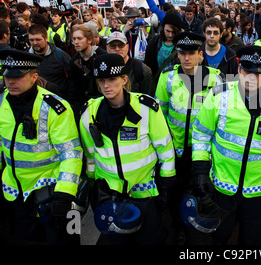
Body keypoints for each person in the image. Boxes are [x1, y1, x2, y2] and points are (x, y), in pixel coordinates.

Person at [190, 45, 261, 245]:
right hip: (222, 186)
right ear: (239, 70)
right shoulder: (219, 96)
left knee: (251, 240)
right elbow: (201, 133)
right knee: (218, 237)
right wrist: (200, 169)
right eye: (247, 70)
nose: (252, 77)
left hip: (258, 191)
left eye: (259, 72)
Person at [79, 53, 175, 245]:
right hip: (110, 193)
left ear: (124, 80)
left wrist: (167, 183)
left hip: (144, 192)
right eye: (102, 80)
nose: (106, 85)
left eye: (112, 79)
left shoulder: (147, 108)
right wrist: (91, 185)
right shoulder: (89, 112)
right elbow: (90, 155)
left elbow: (165, 147)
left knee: (150, 239)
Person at [0, 48, 83, 244]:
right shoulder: (1, 101)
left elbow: (71, 153)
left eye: (18, 77)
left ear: (34, 77)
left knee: (66, 240)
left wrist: (64, 194)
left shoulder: (55, 107)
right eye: (7, 76)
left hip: (51, 193)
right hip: (16, 192)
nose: (10, 81)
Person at [155, 31, 223, 244]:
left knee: (202, 192)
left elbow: (221, 116)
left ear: (200, 55)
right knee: (175, 194)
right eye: (182, 53)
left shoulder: (215, 78)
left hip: (202, 153)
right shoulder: (167, 77)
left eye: (191, 53)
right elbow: (159, 116)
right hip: (176, 151)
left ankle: (202, 230)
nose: (186, 58)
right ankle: (179, 229)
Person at [67, 24, 107, 117]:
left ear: (89, 40)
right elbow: (73, 86)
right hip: (83, 105)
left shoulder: (102, 56)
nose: (76, 42)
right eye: (74, 39)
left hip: (102, 102)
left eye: (79, 39)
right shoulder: (74, 61)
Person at [27, 24, 71, 99]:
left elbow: (72, 80)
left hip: (58, 99)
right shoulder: (26, 58)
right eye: (31, 40)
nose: (34, 43)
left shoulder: (60, 56)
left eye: (38, 40)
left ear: (46, 38)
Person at [106, 31, 155, 96]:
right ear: (107, 48)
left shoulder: (141, 69)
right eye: (113, 46)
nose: (117, 49)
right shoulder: (103, 68)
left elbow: (148, 97)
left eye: (121, 45)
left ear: (127, 47)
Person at [144, 11, 182, 82]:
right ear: (163, 28)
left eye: (173, 32)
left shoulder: (183, 44)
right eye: (167, 31)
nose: (170, 35)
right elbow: (147, 64)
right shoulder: (154, 42)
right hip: (157, 83)